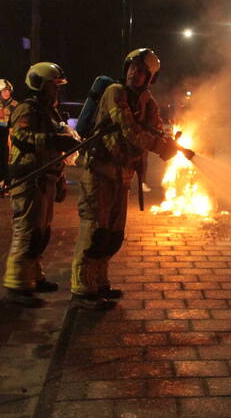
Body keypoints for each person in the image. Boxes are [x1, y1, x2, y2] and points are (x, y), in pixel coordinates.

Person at [71, 48, 179, 310]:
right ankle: (83, 289)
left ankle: (99, 281)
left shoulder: (147, 101)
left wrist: (169, 141)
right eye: (131, 67)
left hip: (122, 175)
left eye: (140, 71)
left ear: (149, 77)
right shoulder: (114, 93)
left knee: (112, 233)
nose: (134, 73)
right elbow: (129, 130)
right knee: (95, 230)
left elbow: (154, 127)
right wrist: (160, 147)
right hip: (98, 172)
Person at [4, 62, 80, 307]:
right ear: (40, 84)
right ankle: (17, 286)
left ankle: (33, 277)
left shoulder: (49, 111)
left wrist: (59, 178)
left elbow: (54, 148)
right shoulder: (27, 109)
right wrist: (54, 139)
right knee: (27, 231)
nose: (56, 91)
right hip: (28, 179)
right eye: (53, 86)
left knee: (41, 231)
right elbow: (21, 137)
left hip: (44, 177)